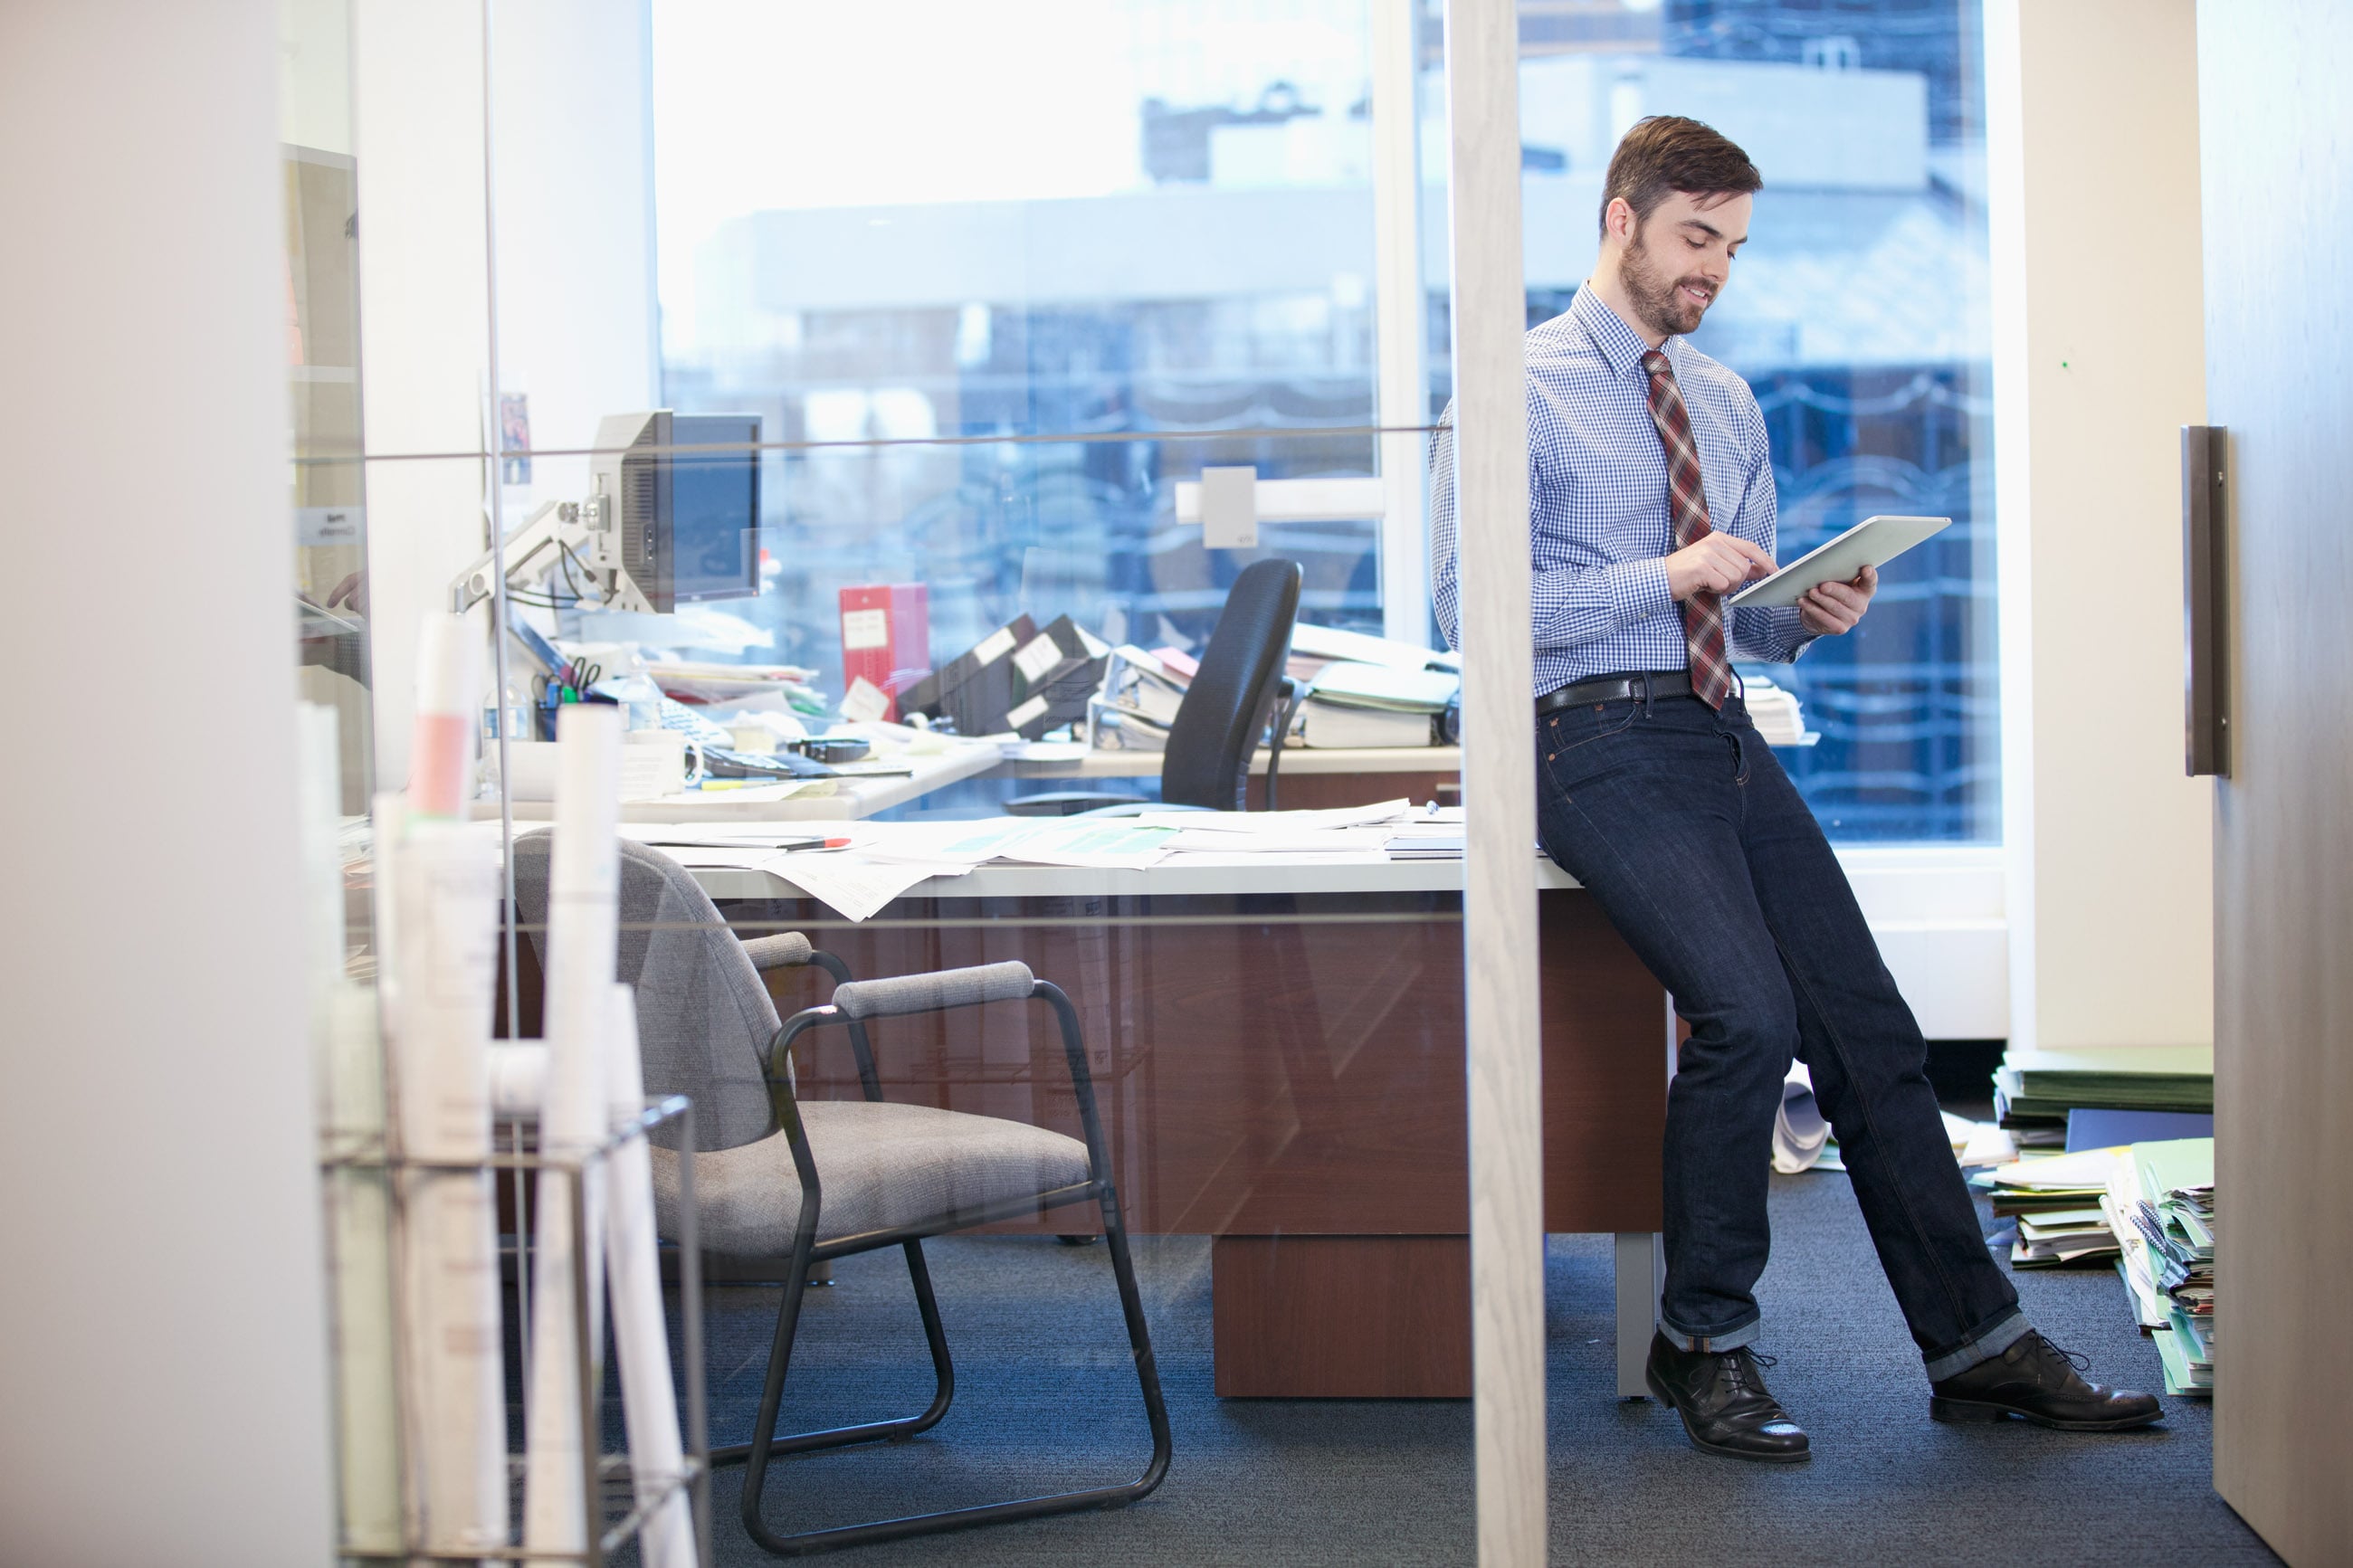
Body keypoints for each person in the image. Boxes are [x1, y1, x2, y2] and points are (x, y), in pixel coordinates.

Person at [1428, 115, 2161, 1461]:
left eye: (1734, 246)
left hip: (1717, 720)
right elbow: (1465, 610)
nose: (1714, 270)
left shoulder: (1725, 397)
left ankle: (1980, 1343)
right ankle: (1706, 1340)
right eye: (1694, 238)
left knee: (1870, 1028)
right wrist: (1671, 574)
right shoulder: (1513, 385)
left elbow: (1742, 616)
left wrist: (1803, 611)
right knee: (1748, 1015)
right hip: (1580, 738)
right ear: (1620, 218)